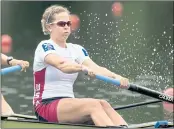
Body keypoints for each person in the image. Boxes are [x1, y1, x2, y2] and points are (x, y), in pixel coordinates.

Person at [33, 5, 129, 127]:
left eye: (68, 23)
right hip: (45, 105)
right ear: (49, 27)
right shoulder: (45, 46)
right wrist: (82, 68)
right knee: (93, 105)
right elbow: (62, 65)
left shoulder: (76, 49)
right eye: (62, 24)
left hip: (68, 103)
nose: (67, 27)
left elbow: (96, 68)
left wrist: (118, 77)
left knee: (103, 104)